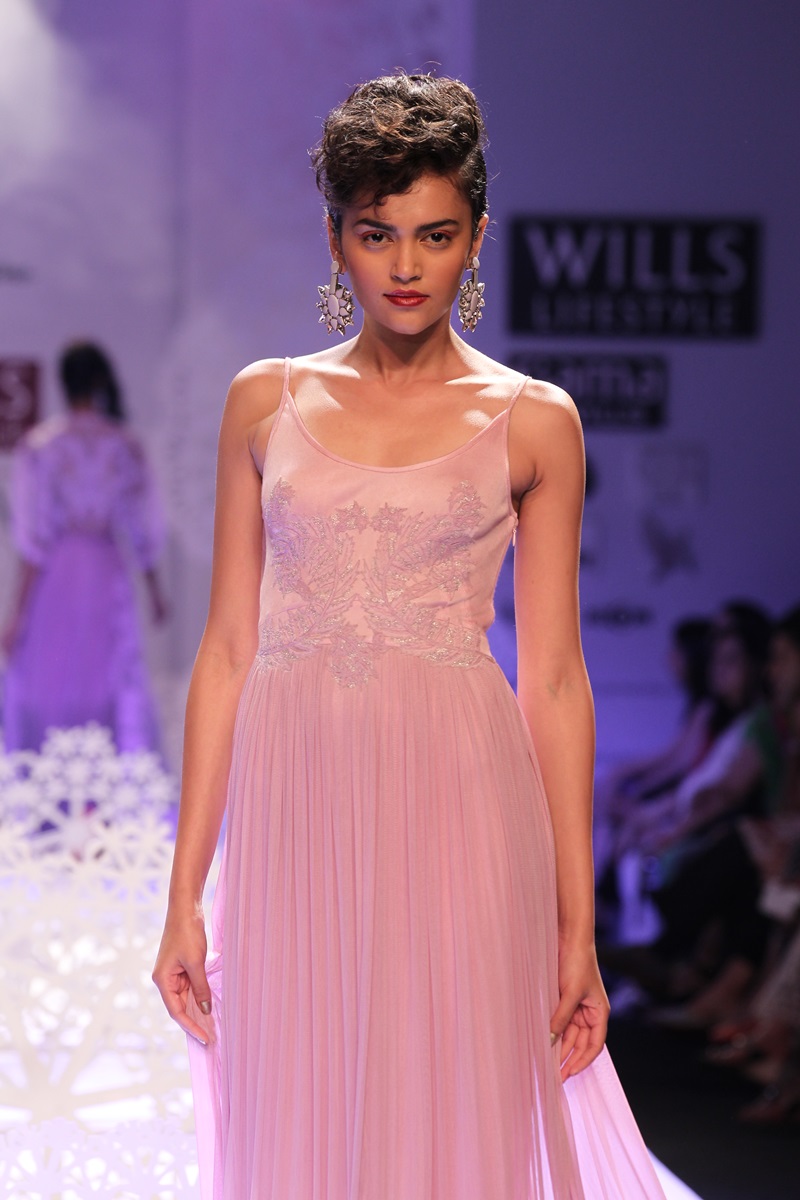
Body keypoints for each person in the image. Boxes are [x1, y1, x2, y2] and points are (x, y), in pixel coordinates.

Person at [153, 74, 666, 1198]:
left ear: (475, 237)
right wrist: (185, 893)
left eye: (434, 235)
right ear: (334, 238)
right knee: (302, 1109)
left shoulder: (534, 420)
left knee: (452, 1114)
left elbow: (556, 682)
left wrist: (576, 926)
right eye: (375, 232)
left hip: (460, 805)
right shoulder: (264, 402)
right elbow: (228, 649)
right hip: (295, 806)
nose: (404, 265)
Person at [2, 341, 166, 752]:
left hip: (59, 571)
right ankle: (98, 775)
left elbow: (35, 537)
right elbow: (140, 527)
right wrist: (154, 590)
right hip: (105, 567)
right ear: (99, 382)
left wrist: (17, 615)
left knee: (52, 673)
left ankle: (53, 776)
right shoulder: (124, 444)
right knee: (103, 671)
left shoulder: (42, 445)